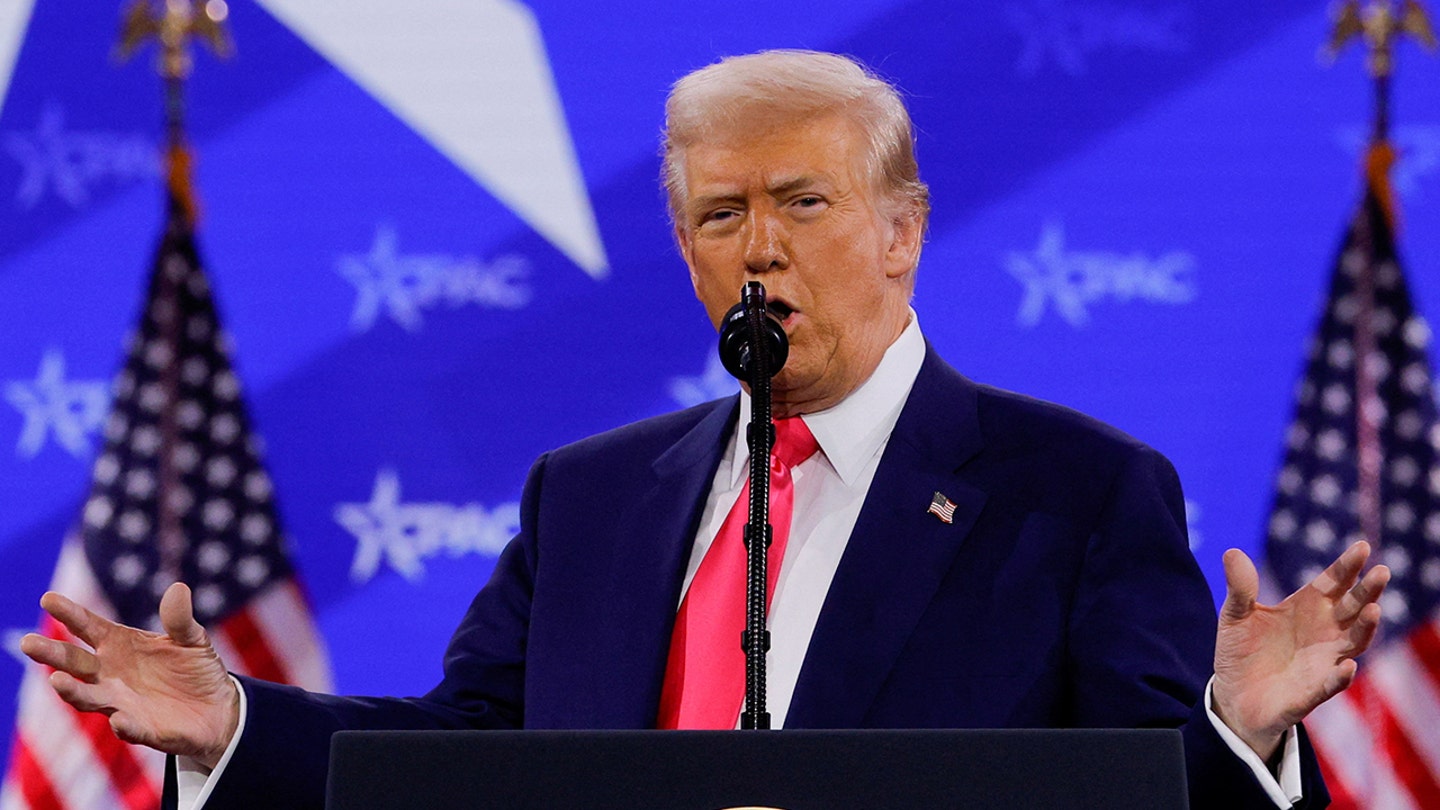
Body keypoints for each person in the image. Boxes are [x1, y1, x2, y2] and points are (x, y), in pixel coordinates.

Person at [22, 50, 1388, 810]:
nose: (761, 251)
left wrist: (1240, 729)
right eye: (722, 216)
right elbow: (454, 762)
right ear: (683, 250)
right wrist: (231, 724)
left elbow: (1141, 799)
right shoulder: (590, 497)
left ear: (902, 233)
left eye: (803, 203)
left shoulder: (1076, 491)